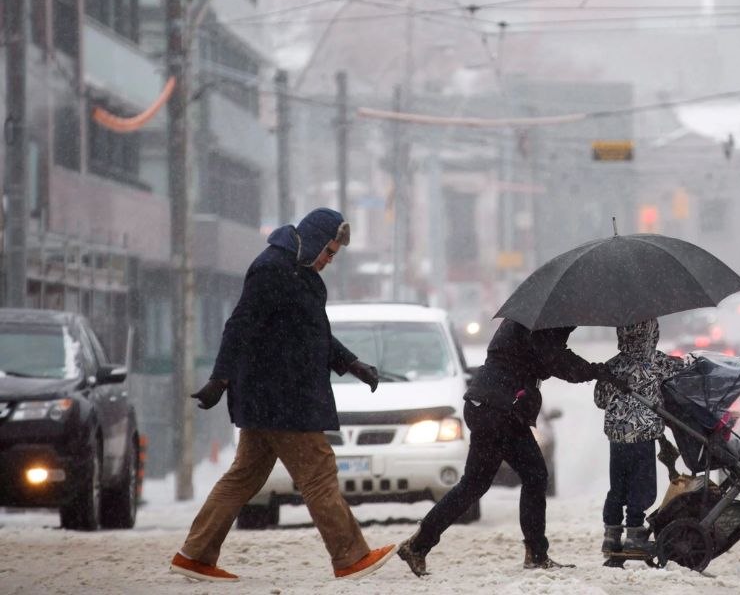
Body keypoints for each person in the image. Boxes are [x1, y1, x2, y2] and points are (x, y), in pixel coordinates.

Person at [168, 208, 396, 583]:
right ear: (315, 240)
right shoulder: (272, 268)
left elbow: (312, 332)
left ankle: (195, 555)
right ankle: (351, 556)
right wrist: (218, 380)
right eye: (329, 252)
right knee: (319, 474)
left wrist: (353, 364)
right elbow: (240, 325)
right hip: (282, 397)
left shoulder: (298, 270)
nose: (328, 261)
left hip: (271, 398)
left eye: (334, 255)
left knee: (242, 477)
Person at [396, 319, 628, 576]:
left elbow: (549, 357)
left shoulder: (528, 318)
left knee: (475, 484)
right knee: (534, 475)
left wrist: (587, 369)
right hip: (501, 408)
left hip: (484, 403)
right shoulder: (541, 323)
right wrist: (595, 371)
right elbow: (555, 360)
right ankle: (536, 554)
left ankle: (418, 545)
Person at [593, 319, 684, 559]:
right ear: (652, 334)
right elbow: (681, 375)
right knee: (640, 485)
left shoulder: (613, 365)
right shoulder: (657, 362)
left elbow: (600, 400)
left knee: (618, 485)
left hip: (618, 437)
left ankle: (611, 535)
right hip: (643, 436)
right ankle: (634, 533)